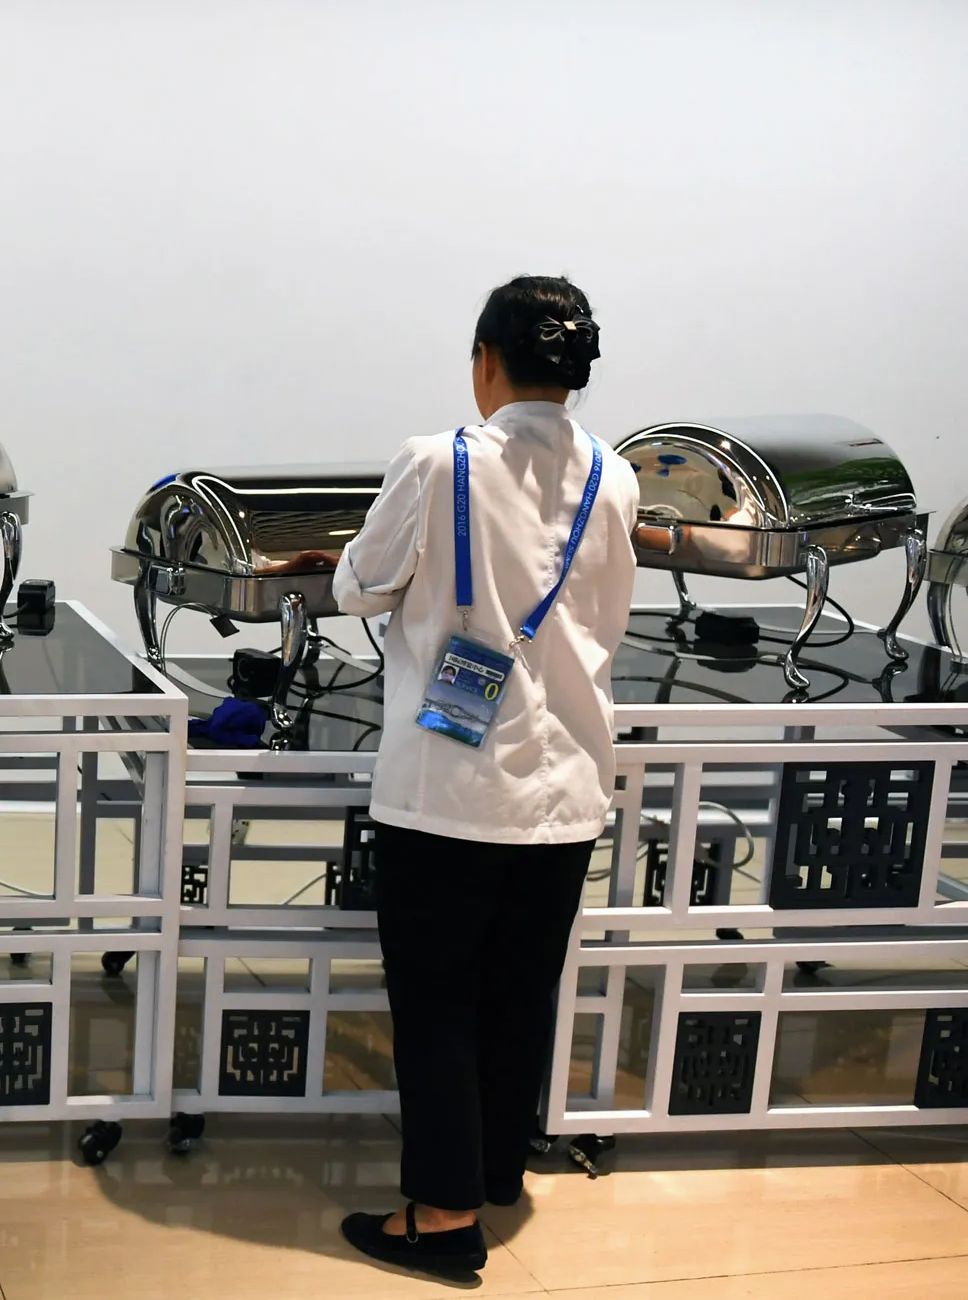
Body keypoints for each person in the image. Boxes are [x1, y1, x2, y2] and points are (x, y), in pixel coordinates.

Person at [331, 276, 640, 1280]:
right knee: (518, 993)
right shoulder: (614, 476)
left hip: (450, 791)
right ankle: (496, 1170)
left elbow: (360, 585)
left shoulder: (437, 461)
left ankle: (442, 1216)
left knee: (437, 1000)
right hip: (568, 789)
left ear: (486, 361)